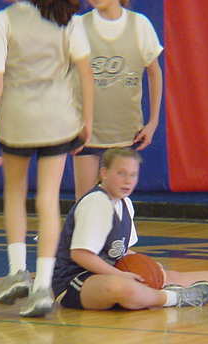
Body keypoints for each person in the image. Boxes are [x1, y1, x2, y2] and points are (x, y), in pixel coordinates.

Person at [0, 0, 94, 317]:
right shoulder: (69, 19)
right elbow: (85, 74)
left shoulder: (3, 19)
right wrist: (87, 120)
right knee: (48, 200)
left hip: (17, 120)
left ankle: (17, 271)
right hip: (58, 119)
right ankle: (42, 285)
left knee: (15, 193)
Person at [53, 148, 208, 311]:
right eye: (121, 173)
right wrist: (120, 274)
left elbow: (122, 251)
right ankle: (174, 299)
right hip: (74, 281)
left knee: (163, 275)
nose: (128, 181)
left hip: (106, 272)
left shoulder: (125, 203)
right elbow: (81, 255)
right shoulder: (96, 203)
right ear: (103, 173)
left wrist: (149, 264)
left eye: (133, 175)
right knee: (121, 287)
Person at [72, 0, 163, 200]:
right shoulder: (78, 25)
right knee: (85, 204)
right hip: (87, 133)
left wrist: (153, 122)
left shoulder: (139, 24)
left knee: (118, 204)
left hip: (126, 134)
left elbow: (154, 72)